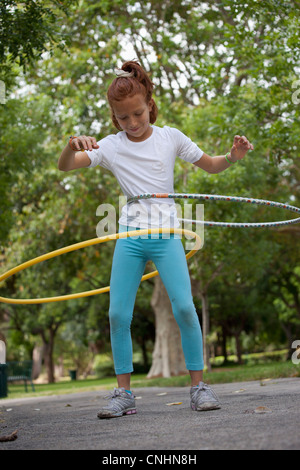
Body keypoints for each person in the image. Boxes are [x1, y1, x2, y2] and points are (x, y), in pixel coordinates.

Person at [58, 60, 254, 419]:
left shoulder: (170, 137)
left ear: (149, 102)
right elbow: (66, 166)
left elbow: (210, 164)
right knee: (118, 313)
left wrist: (232, 156)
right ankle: (123, 394)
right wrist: (72, 145)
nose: (132, 124)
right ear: (114, 118)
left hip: (167, 236)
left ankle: (198, 387)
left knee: (183, 307)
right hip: (131, 237)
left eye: (137, 114)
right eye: (123, 119)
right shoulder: (112, 146)